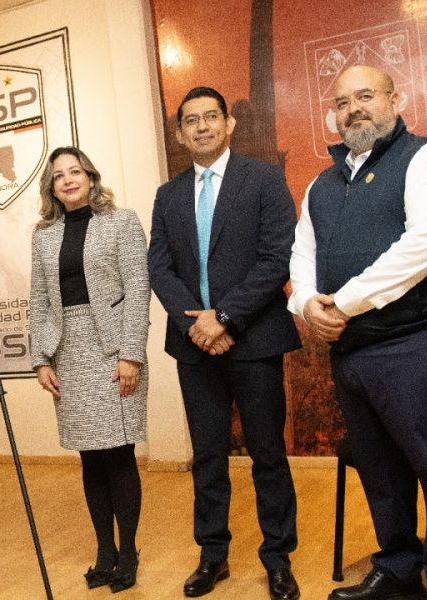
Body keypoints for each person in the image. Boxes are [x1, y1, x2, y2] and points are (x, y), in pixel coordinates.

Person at [289, 65, 427, 600]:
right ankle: (398, 571)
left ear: (397, 99)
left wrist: (342, 304)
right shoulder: (321, 185)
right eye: (342, 102)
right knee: (382, 476)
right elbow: (302, 255)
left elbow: (423, 246)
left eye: (366, 95)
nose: (354, 109)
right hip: (351, 353)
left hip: (420, 344)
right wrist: (307, 304)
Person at [147, 87, 301, 600]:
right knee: (208, 456)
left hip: (254, 340)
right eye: (191, 120)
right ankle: (213, 555)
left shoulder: (264, 179)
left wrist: (226, 318)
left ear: (229, 123)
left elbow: (277, 256)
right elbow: (159, 267)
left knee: (268, 454)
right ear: (180, 134)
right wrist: (197, 324)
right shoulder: (168, 195)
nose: (202, 126)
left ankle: (278, 559)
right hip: (194, 346)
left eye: (211, 116)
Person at [30, 147, 149, 593]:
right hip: (68, 351)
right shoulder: (43, 235)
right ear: (52, 187)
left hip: (114, 349)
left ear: (91, 177)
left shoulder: (121, 222)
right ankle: (104, 551)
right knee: (90, 457)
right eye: (59, 175)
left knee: (118, 454)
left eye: (75, 171)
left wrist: (131, 354)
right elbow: (39, 299)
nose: (67, 180)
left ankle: (128, 551)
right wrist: (40, 359)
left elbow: (138, 288)